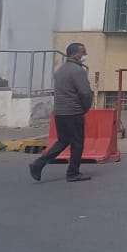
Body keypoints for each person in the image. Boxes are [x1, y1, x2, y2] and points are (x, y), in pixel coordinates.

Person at [29, 43, 94, 183]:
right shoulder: (78, 71)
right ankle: (73, 173)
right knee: (77, 142)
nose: (84, 55)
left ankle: (38, 164)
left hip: (60, 113)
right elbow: (85, 93)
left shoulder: (60, 70)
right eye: (82, 52)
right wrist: (86, 107)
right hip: (73, 112)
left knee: (63, 141)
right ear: (74, 54)